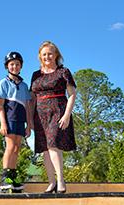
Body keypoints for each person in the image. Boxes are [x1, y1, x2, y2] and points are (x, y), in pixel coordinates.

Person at [30, 41, 76, 194]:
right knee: (45, 149)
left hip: (58, 111)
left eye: (50, 53)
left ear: (56, 55)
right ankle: (51, 183)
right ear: (40, 57)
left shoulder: (64, 72)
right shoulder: (36, 75)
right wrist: (30, 120)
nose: (47, 56)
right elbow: (32, 98)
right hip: (40, 114)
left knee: (53, 144)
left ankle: (61, 180)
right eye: (44, 54)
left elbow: (72, 94)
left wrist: (67, 115)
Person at [0, 52, 32, 192]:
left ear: (21, 66)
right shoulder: (3, 83)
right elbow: (0, 106)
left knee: (17, 148)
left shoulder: (23, 85)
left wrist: (29, 125)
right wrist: (3, 123)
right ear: (7, 66)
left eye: (17, 64)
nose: (14, 66)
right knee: (10, 147)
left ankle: (13, 176)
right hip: (9, 119)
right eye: (11, 64)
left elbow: (28, 107)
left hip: (20, 120)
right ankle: (5, 178)